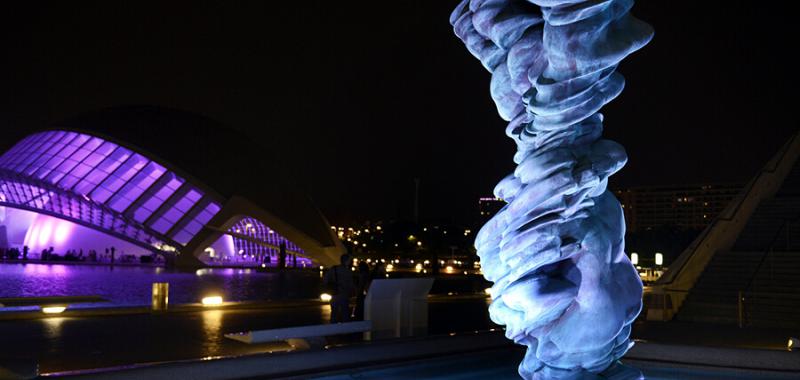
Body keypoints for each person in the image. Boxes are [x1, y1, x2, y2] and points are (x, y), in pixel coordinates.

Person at [323, 253, 354, 323]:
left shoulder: (334, 268)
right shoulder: (348, 271)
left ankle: (333, 329)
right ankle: (345, 330)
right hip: (344, 295)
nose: (350, 262)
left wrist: (329, 285)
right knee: (345, 314)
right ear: (347, 261)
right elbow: (351, 285)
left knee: (334, 313)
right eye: (349, 260)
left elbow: (325, 279)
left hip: (334, 294)